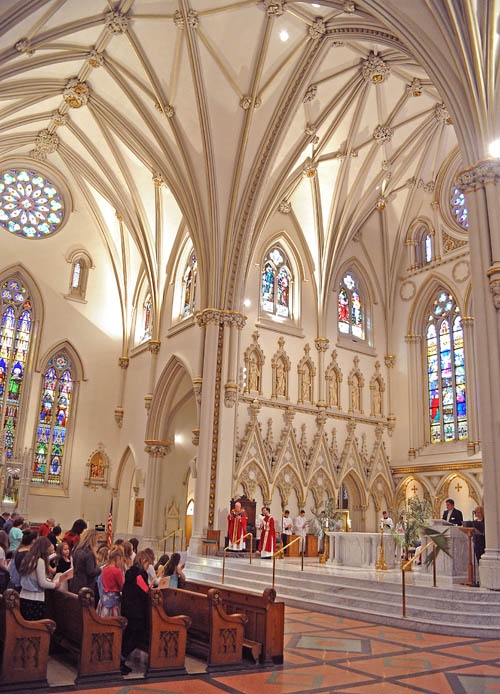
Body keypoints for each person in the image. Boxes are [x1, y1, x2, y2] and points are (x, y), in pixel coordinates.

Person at [120, 550, 151, 675]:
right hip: (136, 611)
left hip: (127, 608)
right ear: (144, 561)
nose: (148, 566)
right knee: (137, 636)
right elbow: (144, 591)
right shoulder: (140, 573)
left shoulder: (129, 571)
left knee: (127, 635)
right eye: (148, 563)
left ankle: (121, 659)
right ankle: (121, 659)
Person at [18, 536, 60, 620]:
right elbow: (42, 583)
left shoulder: (28, 558)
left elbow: (34, 578)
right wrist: (55, 584)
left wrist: (48, 580)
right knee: (35, 627)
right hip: (35, 598)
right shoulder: (39, 561)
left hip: (23, 596)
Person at [70, 528, 101, 597]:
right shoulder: (89, 553)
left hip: (75, 583)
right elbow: (91, 572)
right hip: (85, 585)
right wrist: (100, 569)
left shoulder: (77, 550)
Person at [97, 547, 125, 617]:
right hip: (113, 603)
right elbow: (122, 586)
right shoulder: (117, 571)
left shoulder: (104, 569)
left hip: (103, 601)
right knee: (113, 624)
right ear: (118, 558)